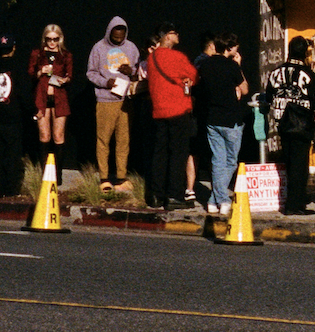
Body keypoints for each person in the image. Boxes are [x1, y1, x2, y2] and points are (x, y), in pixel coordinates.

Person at [262, 36, 315, 216]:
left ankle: (297, 197)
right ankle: (294, 204)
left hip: (282, 123)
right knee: (300, 165)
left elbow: (269, 96)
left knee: (288, 161)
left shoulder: (275, 72)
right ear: (304, 53)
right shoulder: (308, 74)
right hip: (302, 123)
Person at [193, 33, 249, 214]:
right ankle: (222, 199)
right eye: (235, 48)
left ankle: (213, 200)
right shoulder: (232, 66)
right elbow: (245, 89)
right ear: (229, 48)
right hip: (231, 119)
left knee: (218, 160)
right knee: (231, 161)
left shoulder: (205, 65)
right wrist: (238, 66)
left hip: (212, 118)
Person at [85, 17, 144, 190]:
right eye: (115, 37)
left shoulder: (131, 47)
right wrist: (106, 82)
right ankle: (104, 178)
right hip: (106, 99)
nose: (118, 40)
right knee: (103, 140)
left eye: (121, 37)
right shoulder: (99, 47)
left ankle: (121, 177)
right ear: (109, 32)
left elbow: (140, 72)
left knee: (123, 140)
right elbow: (91, 73)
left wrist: (131, 71)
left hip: (126, 101)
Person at [145, 24, 199, 208]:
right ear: (167, 36)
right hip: (178, 110)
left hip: (159, 111)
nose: (178, 36)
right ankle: (174, 195)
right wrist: (184, 79)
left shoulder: (152, 58)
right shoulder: (177, 56)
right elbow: (193, 75)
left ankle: (155, 194)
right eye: (175, 33)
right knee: (178, 154)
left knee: (159, 153)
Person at [0, 36, 30, 199]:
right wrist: (33, 110)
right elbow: (23, 92)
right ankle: (11, 189)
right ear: (13, 49)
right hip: (12, 118)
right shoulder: (17, 67)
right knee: (12, 155)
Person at [30, 24, 74, 154]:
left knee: (58, 136)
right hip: (41, 98)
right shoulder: (37, 53)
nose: (52, 42)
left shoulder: (65, 55)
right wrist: (40, 71)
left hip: (59, 98)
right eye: (49, 39)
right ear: (45, 39)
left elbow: (69, 75)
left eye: (55, 39)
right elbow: (30, 73)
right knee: (44, 136)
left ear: (60, 38)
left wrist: (65, 80)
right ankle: (45, 172)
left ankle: (58, 173)